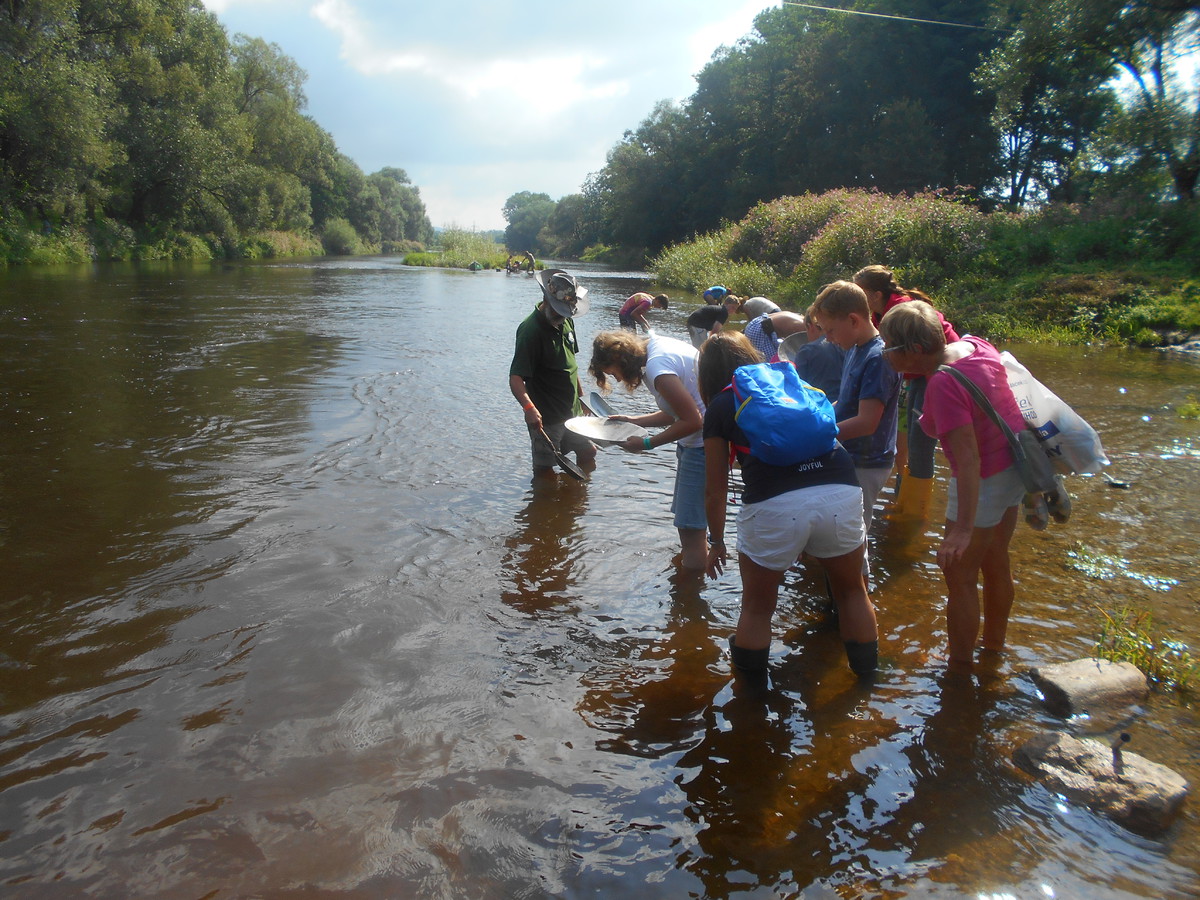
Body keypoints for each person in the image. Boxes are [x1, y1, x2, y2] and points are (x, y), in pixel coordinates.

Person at [699, 332, 878, 681]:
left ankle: (751, 698)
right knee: (852, 592)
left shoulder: (721, 404)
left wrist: (716, 542)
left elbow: (715, 490)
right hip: (840, 487)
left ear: (706, 374)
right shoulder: (790, 383)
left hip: (775, 501)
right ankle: (868, 682)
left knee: (757, 608)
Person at [878, 302, 1024, 669]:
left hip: (984, 479)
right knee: (996, 559)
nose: (885, 353)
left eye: (889, 346)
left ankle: (958, 669)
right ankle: (993, 649)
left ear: (914, 350)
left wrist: (962, 529)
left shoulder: (944, 383)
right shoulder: (976, 345)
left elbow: (968, 460)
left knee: (959, 574)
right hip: (1014, 467)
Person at [589, 330, 708, 569]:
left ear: (620, 360)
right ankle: (691, 575)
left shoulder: (657, 368)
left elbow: (694, 420)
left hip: (702, 446)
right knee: (689, 524)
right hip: (698, 443)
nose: (618, 380)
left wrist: (646, 444)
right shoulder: (656, 348)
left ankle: (690, 584)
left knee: (691, 528)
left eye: (613, 373)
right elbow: (677, 412)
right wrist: (634, 420)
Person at [853, 265, 960, 520]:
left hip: (936, 372)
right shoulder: (878, 313)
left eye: (860, 293)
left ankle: (915, 512)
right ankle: (903, 498)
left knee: (920, 443)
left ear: (876, 295)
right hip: (915, 374)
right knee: (908, 439)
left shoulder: (900, 310)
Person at [811, 281, 901, 537]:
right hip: (851, 454)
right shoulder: (855, 347)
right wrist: (816, 416)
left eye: (830, 330)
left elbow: (866, 422)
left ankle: (858, 565)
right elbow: (847, 401)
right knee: (836, 526)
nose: (828, 338)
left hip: (867, 461)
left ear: (853, 320)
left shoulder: (877, 358)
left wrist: (816, 437)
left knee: (852, 533)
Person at [509, 268, 598, 477]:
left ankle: (578, 495)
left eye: (567, 311)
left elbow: (571, 365)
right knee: (545, 471)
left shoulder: (566, 321)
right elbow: (515, 378)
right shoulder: (530, 331)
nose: (563, 315)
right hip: (547, 417)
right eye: (559, 310)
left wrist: (582, 398)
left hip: (573, 411)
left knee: (588, 452)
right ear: (546, 299)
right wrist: (529, 408)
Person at [791, 303, 846, 398]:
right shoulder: (845, 345)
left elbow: (797, 386)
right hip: (844, 402)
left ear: (810, 326)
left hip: (818, 403)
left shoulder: (807, 351)